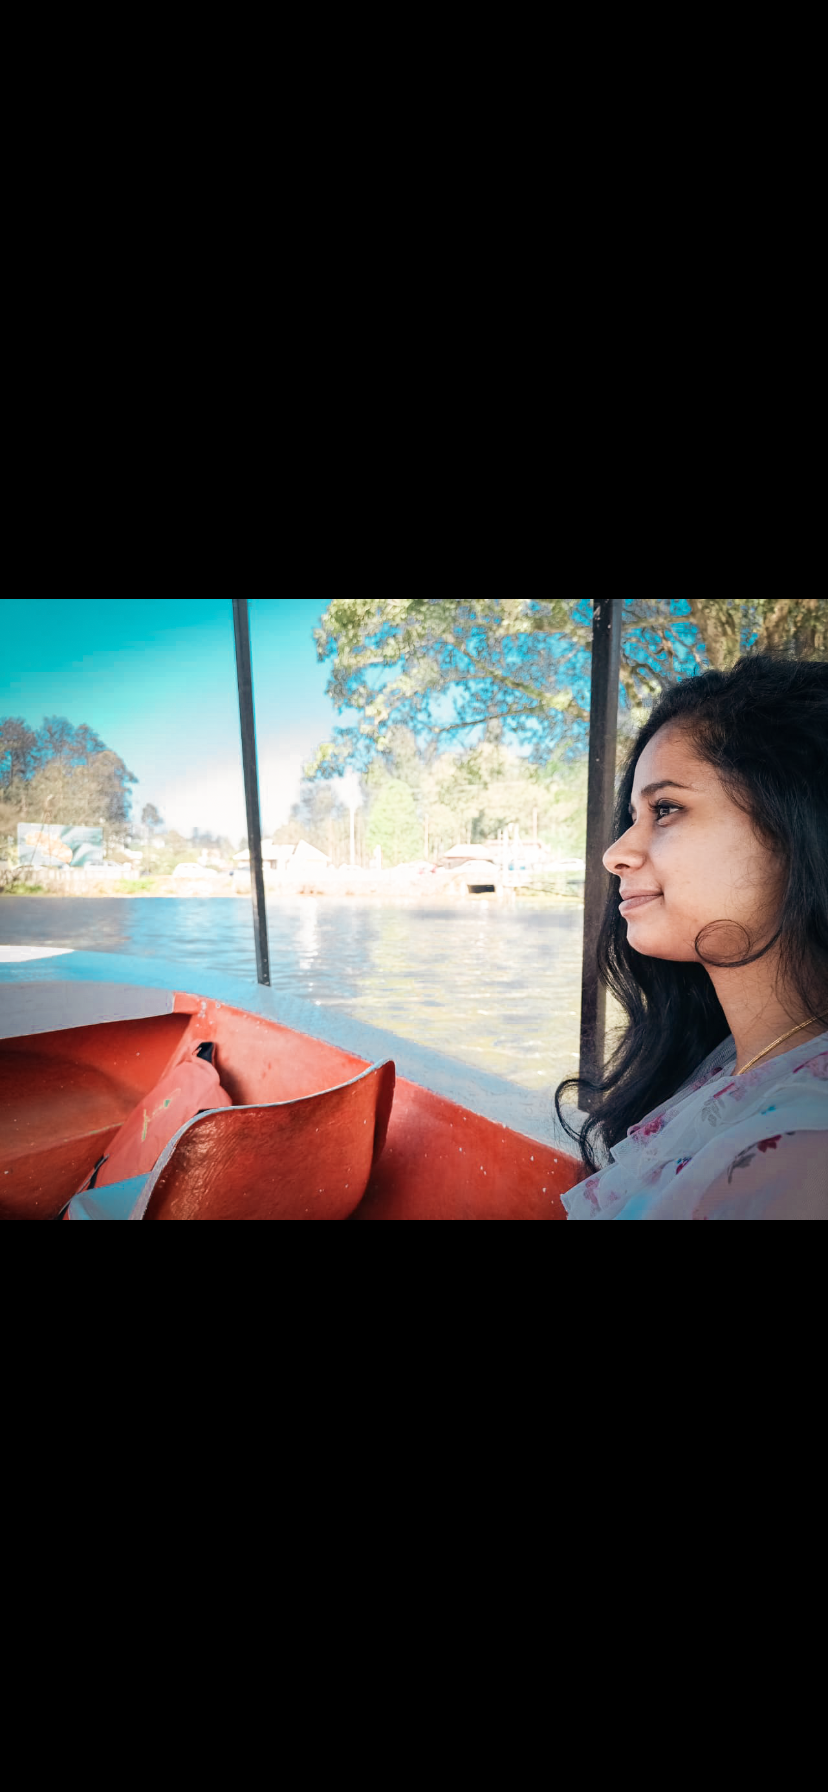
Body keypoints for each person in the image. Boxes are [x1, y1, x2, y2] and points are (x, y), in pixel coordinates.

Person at [554, 651, 828, 1220]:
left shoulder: (803, 1150)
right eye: (633, 817)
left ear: (798, 822)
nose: (616, 853)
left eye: (666, 808)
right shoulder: (729, 1063)